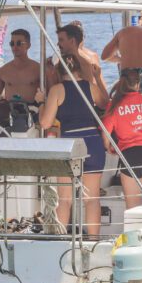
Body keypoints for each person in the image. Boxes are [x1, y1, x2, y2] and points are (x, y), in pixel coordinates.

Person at [38, 54, 107, 235]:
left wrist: (41, 103)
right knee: (91, 199)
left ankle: (61, 242)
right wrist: (98, 79)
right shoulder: (90, 87)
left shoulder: (57, 90)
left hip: (69, 144)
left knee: (65, 199)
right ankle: (93, 241)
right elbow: (105, 103)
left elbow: (45, 123)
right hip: (92, 141)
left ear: (60, 72)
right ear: (79, 69)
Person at [101, 68, 142, 210]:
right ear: (138, 85)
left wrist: (110, 148)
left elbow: (105, 134)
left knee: (132, 206)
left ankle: (136, 232)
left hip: (131, 156)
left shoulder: (114, 105)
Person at [46, 24, 107, 96]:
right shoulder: (59, 62)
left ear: (72, 41)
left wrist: (50, 73)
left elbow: (83, 93)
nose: (58, 43)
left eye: (61, 40)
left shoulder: (85, 65)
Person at [0, 29, 40, 103]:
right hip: (10, 111)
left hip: (33, 111)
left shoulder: (39, 69)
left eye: (19, 43)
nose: (15, 47)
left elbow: (49, 95)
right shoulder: (2, 71)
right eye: (12, 43)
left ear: (28, 45)